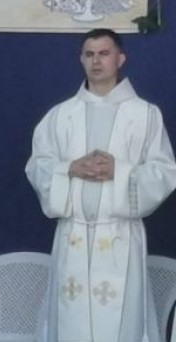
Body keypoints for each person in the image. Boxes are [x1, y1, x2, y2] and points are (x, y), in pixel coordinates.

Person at [26, 29, 176, 342]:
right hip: (73, 234)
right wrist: (70, 168)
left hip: (120, 235)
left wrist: (119, 171)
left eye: (104, 53)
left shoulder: (145, 115)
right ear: (81, 60)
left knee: (121, 326)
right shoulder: (61, 115)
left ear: (120, 59)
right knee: (70, 323)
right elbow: (37, 166)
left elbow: (164, 172)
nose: (96, 61)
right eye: (90, 54)